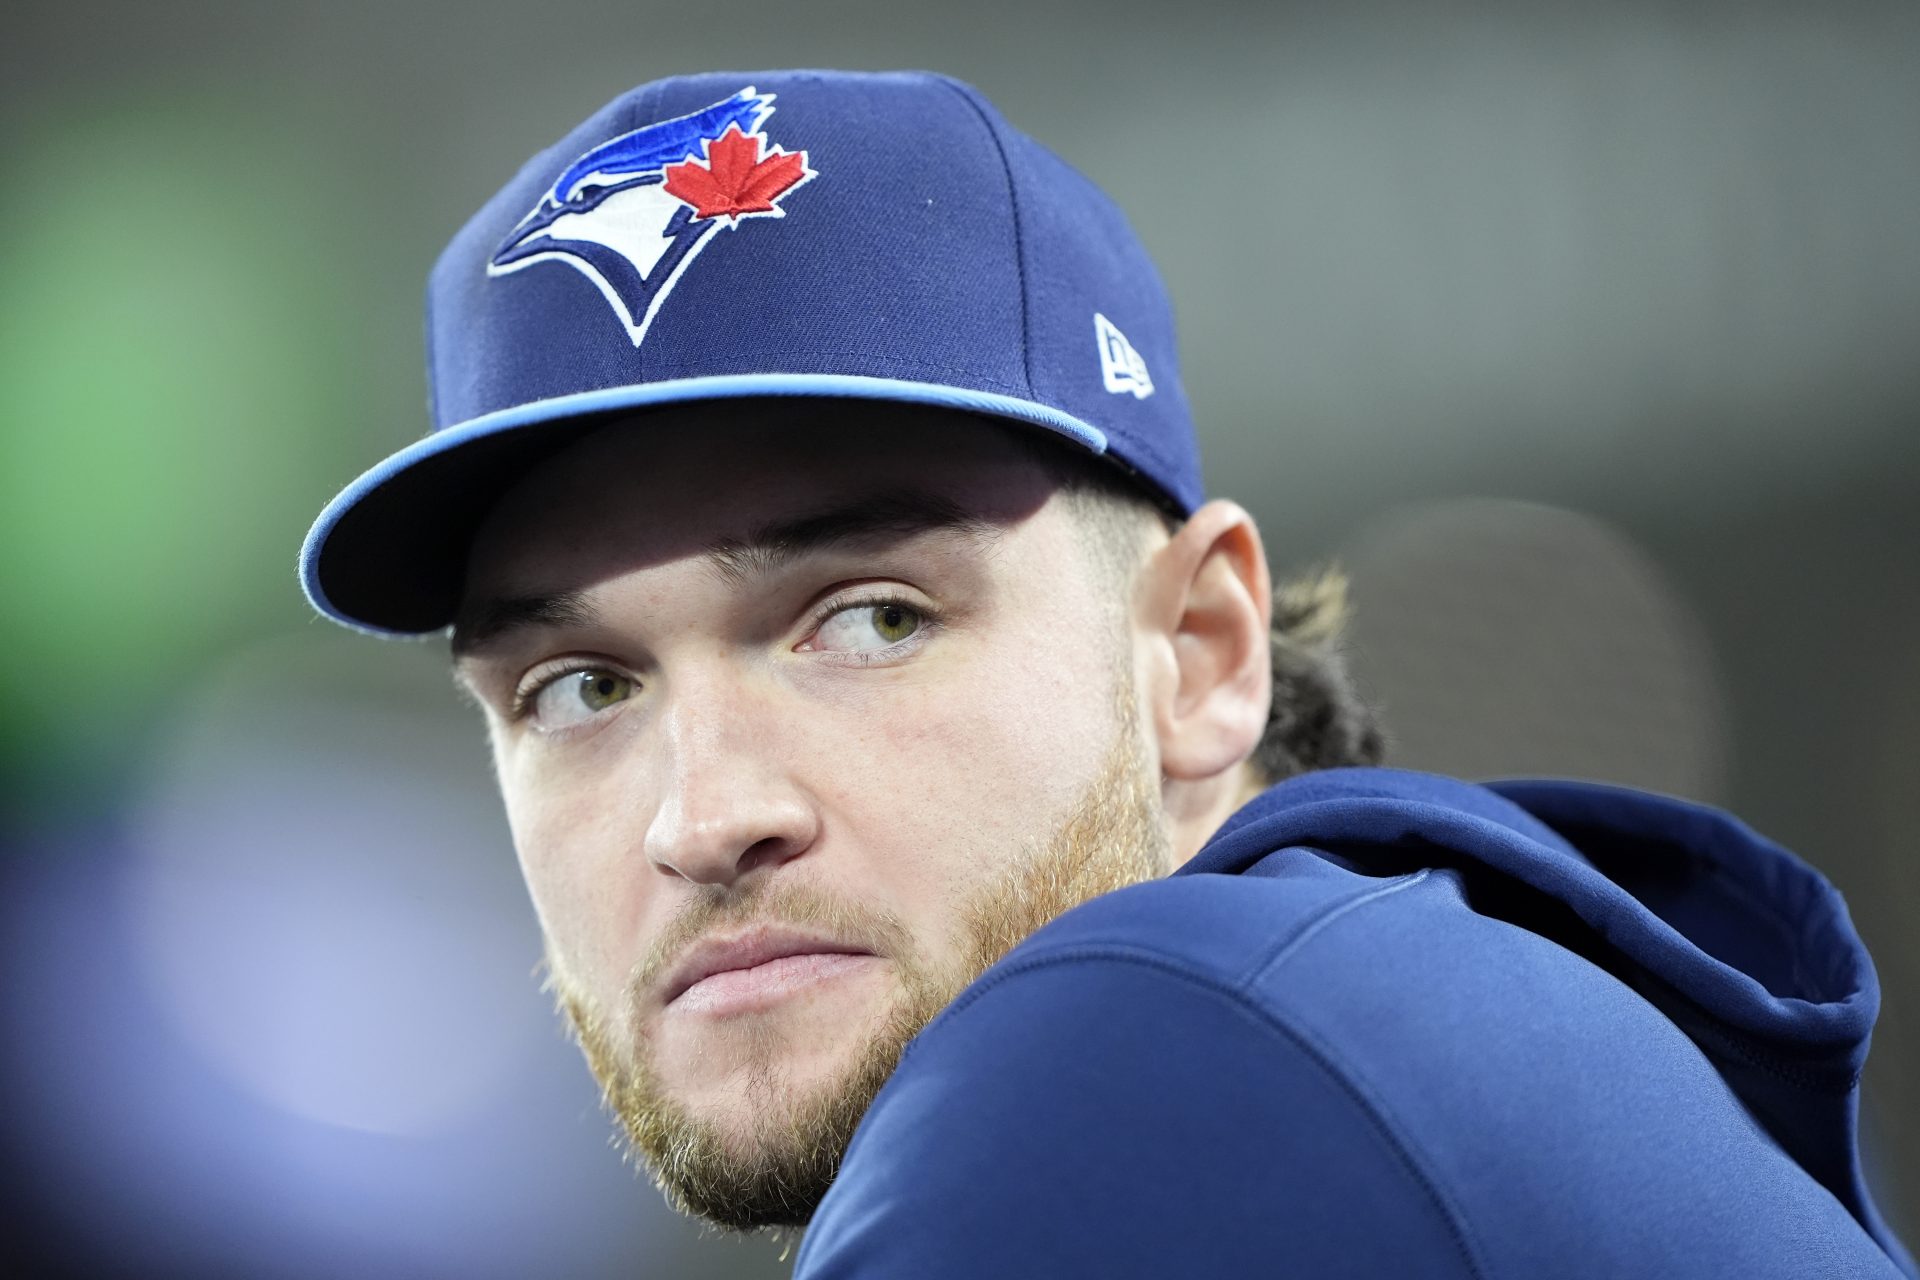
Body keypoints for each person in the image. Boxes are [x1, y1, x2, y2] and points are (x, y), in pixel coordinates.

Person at [300, 69, 1915, 1276]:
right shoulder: (1417, 1024)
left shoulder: (1142, 1053)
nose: (704, 817)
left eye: (870, 616)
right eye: (577, 689)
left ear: (1199, 651)